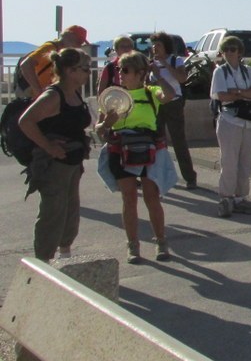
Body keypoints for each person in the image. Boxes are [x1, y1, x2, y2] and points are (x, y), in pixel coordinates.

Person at [95, 51, 178, 263]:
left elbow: (169, 95)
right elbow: (99, 130)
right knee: (129, 198)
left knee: (152, 197)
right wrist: (107, 123)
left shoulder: (152, 93)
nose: (120, 74)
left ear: (140, 73)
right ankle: (133, 246)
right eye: (119, 69)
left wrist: (157, 75)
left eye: (125, 70)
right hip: (121, 150)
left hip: (148, 149)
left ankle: (161, 242)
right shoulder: (114, 96)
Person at [18, 48, 92, 261]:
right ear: (69, 70)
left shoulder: (75, 93)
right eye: (85, 69)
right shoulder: (53, 95)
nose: (88, 73)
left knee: (70, 212)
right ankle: (43, 263)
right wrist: (49, 146)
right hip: (54, 165)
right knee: (53, 215)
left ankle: (65, 255)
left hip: (73, 162)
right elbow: (25, 121)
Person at [209, 36, 251, 218]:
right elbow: (221, 96)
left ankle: (241, 198)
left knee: (247, 162)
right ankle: (226, 197)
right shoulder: (220, 72)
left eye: (234, 49)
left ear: (240, 52)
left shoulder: (248, 71)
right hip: (229, 120)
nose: (230, 52)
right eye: (227, 49)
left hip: (248, 121)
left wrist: (238, 93)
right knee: (229, 161)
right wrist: (246, 94)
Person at [149, 31, 198, 189]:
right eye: (154, 46)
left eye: (159, 45)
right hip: (157, 104)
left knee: (179, 141)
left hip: (174, 103)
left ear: (166, 46)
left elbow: (182, 78)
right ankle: (159, 175)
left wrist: (166, 65)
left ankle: (189, 177)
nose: (155, 48)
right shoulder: (151, 64)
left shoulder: (176, 60)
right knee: (157, 141)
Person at [17, 25, 89, 99]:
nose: (79, 46)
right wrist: (38, 90)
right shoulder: (50, 47)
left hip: (45, 92)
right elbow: (25, 64)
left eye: (81, 43)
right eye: (78, 41)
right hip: (31, 91)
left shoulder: (64, 54)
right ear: (69, 36)